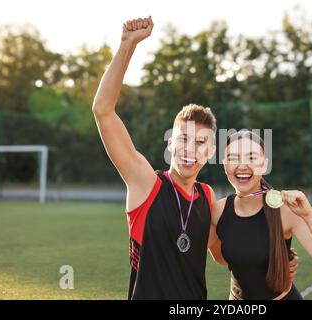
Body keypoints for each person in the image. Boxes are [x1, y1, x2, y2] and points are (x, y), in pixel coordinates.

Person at [92, 16, 299, 300]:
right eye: (184, 139)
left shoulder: (207, 197)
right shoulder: (145, 183)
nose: (191, 148)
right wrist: (127, 45)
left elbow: (223, 255)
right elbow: (103, 110)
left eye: (201, 142)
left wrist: (276, 255)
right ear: (170, 143)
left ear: (211, 152)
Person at [208, 130, 312, 300]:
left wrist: (310, 216)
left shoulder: (285, 211)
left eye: (251, 157)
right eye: (233, 158)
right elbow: (223, 259)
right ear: (224, 165)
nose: (242, 165)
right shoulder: (218, 210)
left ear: (265, 165)